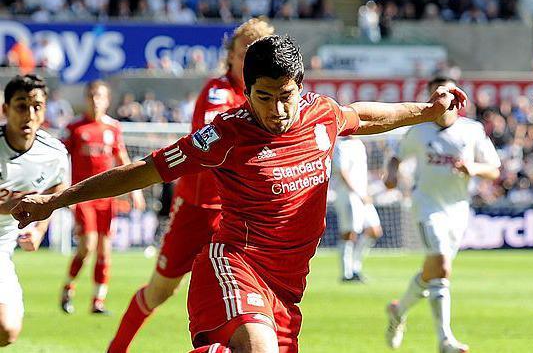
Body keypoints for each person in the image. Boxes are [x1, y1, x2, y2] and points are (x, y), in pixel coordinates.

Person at [11, 35, 467, 353]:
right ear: (245, 92)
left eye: (286, 95)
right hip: (235, 267)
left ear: (300, 88)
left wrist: (427, 110)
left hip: (287, 287)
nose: (277, 109)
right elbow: (145, 171)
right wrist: (56, 200)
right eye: (264, 97)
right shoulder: (226, 134)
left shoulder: (322, 115)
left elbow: (365, 117)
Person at [107, 17, 275, 352]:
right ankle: (116, 349)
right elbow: (215, 136)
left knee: (247, 297)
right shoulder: (218, 92)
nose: (249, 60)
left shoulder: (268, 95)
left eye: (257, 53)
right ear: (230, 56)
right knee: (160, 291)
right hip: (198, 210)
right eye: (244, 52)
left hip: (238, 215)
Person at [383, 75, 501, 353]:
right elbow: (397, 155)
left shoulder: (472, 130)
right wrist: (391, 174)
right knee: (442, 266)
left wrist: (473, 168)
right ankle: (444, 339)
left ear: (457, 100)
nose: (441, 101)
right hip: (426, 205)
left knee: (432, 272)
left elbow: (494, 170)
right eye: (436, 96)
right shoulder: (419, 130)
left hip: (458, 210)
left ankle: (398, 311)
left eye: (447, 95)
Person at [60, 80, 145, 315]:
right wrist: (62, 190)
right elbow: (61, 159)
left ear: (107, 100)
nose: (95, 101)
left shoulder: (113, 128)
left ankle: (98, 300)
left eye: (99, 96)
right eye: (91, 96)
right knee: (87, 245)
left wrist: (135, 190)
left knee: (104, 249)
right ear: (86, 99)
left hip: (107, 197)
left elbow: (122, 159)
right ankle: (68, 287)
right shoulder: (75, 128)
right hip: (82, 195)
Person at [0, 74, 69, 346]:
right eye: (21, 106)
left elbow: (58, 191)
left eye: (36, 106)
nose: (29, 115)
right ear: (5, 109)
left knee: (7, 330)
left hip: (2, 245)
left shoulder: (54, 154)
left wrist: (39, 229)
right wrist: (7, 206)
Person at [331, 136, 382, 283]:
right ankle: (346, 273)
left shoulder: (359, 143)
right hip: (347, 195)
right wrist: (358, 193)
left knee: (374, 231)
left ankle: (355, 267)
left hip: (363, 195)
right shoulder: (340, 145)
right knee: (349, 233)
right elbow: (342, 173)